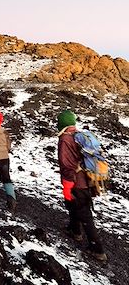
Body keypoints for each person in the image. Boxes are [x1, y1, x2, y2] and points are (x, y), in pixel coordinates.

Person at [57, 110, 107, 262]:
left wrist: (67, 185)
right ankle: (75, 230)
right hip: (87, 181)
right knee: (73, 205)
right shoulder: (79, 136)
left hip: (76, 183)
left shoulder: (65, 139)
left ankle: (98, 250)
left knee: (84, 213)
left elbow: (66, 165)